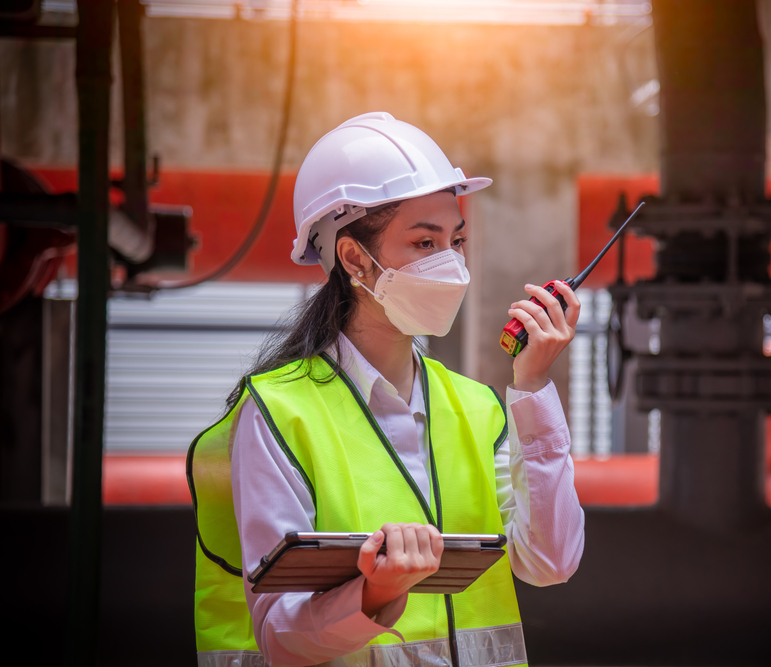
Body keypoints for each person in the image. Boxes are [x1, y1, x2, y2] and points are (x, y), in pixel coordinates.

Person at [188, 112, 585, 667]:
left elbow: (550, 560)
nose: (451, 263)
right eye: (425, 242)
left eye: (457, 240)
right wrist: (373, 595)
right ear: (354, 259)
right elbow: (280, 637)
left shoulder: (475, 406)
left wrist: (534, 384)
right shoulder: (279, 413)